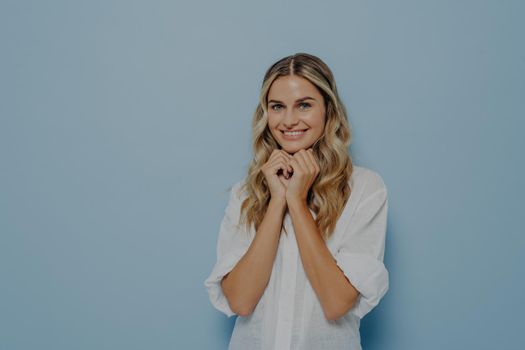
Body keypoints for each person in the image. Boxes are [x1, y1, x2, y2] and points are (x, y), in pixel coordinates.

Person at [204, 52, 389, 350]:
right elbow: (240, 301)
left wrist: (298, 202)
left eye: (304, 105)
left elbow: (337, 302)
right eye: (277, 106)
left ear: (328, 110)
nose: (289, 120)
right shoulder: (246, 193)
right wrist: (277, 200)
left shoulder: (365, 189)